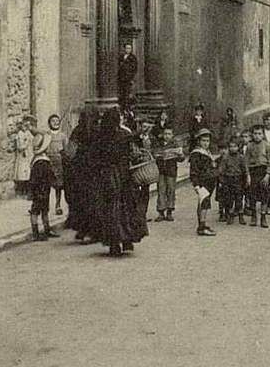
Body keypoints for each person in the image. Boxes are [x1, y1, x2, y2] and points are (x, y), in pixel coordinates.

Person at [96, 106, 147, 257]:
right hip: (121, 174)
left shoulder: (101, 136)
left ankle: (115, 243)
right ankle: (126, 239)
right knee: (126, 206)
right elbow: (129, 148)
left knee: (112, 209)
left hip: (108, 175)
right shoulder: (122, 134)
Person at [67, 105, 101, 242]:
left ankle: (82, 230)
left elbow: (70, 151)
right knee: (94, 200)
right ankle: (93, 232)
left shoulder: (77, 131)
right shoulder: (99, 131)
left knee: (81, 201)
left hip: (80, 171)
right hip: (94, 171)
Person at [29, 133, 59, 241]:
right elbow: (49, 175)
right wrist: (55, 183)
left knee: (41, 209)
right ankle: (37, 233)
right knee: (38, 209)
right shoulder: (43, 162)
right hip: (41, 189)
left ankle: (44, 230)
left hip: (39, 189)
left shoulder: (36, 161)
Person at [245, 123, 270, 228]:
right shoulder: (249, 146)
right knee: (252, 194)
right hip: (253, 172)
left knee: (264, 194)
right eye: (255, 134)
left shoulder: (267, 145)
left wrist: (267, 175)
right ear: (252, 135)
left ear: (263, 135)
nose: (257, 136)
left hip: (263, 171)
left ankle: (263, 217)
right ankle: (254, 216)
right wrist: (248, 175)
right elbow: (246, 162)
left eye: (259, 134)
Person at [190, 128, 217, 236]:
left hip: (209, 182)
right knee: (204, 203)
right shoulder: (196, 154)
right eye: (203, 141)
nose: (206, 143)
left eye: (207, 141)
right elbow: (194, 171)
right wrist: (196, 184)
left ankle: (202, 224)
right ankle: (201, 227)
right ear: (198, 141)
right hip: (202, 182)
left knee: (203, 203)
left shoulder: (207, 153)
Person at [153, 126, 184, 221]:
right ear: (163, 134)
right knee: (161, 190)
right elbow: (154, 154)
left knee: (171, 190)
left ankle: (170, 211)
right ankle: (161, 211)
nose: (167, 136)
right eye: (165, 134)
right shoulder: (159, 144)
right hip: (161, 170)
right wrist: (159, 156)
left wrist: (179, 155)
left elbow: (181, 159)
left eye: (169, 134)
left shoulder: (175, 145)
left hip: (171, 171)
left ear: (172, 135)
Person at [217, 137, 249, 225]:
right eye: (230, 146)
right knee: (230, 199)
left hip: (239, 180)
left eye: (235, 146)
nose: (232, 148)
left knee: (239, 198)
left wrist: (247, 179)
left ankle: (241, 216)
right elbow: (221, 171)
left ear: (238, 147)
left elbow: (245, 170)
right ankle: (230, 215)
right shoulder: (225, 158)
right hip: (229, 180)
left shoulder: (241, 157)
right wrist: (222, 181)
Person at [46, 113, 67, 216]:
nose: (55, 123)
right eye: (53, 121)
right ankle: (45, 206)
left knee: (58, 186)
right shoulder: (47, 135)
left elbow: (66, 149)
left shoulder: (62, 135)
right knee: (46, 185)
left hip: (59, 162)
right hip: (48, 161)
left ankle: (58, 205)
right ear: (49, 123)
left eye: (57, 121)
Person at [13, 117, 34, 197]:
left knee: (29, 172)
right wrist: (25, 144)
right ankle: (22, 191)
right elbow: (19, 147)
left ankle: (29, 191)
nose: (25, 126)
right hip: (23, 156)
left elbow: (33, 141)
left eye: (26, 125)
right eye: (23, 125)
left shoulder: (28, 133)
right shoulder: (19, 134)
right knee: (22, 173)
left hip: (29, 155)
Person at [118, 42, 138, 112]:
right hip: (121, 79)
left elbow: (134, 69)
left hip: (128, 79)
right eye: (127, 48)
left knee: (128, 94)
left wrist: (131, 78)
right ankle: (122, 108)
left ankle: (127, 108)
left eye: (129, 48)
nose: (128, 50)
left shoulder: (133, 58)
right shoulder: (121, 57)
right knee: (122, 94)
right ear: (124, 49)